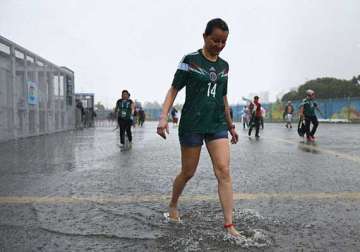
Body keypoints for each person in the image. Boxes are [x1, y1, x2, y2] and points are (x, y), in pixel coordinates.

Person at [156, 18, 240, 237]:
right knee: (188, 172)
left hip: (216, 124)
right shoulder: (190, 60)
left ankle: (229, 225)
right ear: (204, 36)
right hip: (192, 124)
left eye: (223, 42)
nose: (219, 45)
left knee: (223, 171)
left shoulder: (224, 66)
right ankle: (173, 204)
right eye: (215, 40)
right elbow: (173, 90)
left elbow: (223, 97)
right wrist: (163, 117)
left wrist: (230, 126)